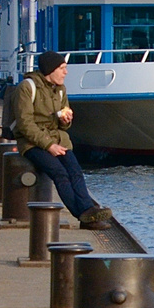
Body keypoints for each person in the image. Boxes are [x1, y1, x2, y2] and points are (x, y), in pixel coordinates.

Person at [12, 52, 112, 229]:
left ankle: (88, 211)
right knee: (60, 173)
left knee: (75, 171)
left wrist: (66, 121)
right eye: (62, 68)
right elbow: (25, 124)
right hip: (32, 142)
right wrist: (49, 145)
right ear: (51, 70)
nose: (66, 73)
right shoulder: (26, 88)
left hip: (58, 139)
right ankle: (84, 214)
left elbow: (62, 124)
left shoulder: (60, 89)